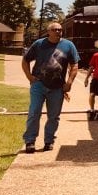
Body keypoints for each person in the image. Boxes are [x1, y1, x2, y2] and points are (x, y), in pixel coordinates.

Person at [21, 22, 80, 153]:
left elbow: (74, 65)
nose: (58, 31)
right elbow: (25, 60)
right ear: (49, 32)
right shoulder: (39, 44)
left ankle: (49, 141)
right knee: (34, 112)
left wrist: (69, 82)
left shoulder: (69, 45)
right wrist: (29, 77)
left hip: (57, 87)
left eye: (60, 29)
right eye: (55, 30)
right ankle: (30, 141)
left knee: (53, 116)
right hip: (38, 84)